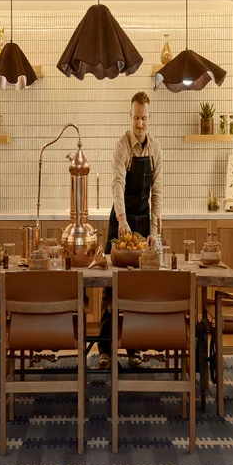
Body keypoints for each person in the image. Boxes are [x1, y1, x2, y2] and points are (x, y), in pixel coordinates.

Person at [98, 91, 163, 370]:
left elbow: (157, 192)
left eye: (144, 118)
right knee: (110, 285)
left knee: (138, 287)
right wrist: (122, 218)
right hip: (121, 220)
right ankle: (105, 350)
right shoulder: (122, 146)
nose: (140, 124)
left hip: (144, 221)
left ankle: (134, 350)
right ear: (130, 115)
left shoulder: (155, 150)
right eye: (136, 118)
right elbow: (117, 184)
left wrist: (155, 229)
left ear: (149, 118)